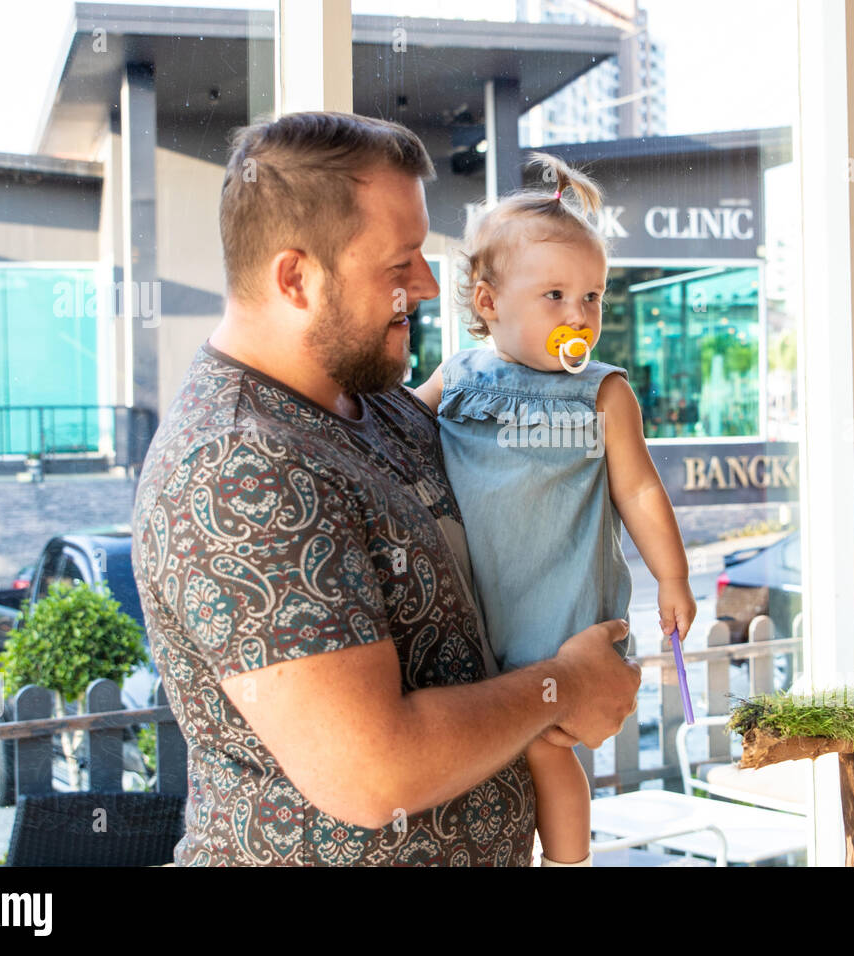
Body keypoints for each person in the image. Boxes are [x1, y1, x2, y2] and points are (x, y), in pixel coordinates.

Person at [130, 111, 640, 866]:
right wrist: (562, 686)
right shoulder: (238, 467)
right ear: (295, 278)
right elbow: (374, 770)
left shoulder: (378, 405)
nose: (432, 287)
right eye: (400, 265)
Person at [413, 154, 697, 866]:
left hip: (558, 615)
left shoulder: (603, 393)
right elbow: (398, 431)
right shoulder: (457, 375)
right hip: (474, 609)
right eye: (556, 297)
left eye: (593, 297)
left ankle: (569, 863)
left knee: (545, 744)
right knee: (475, 731)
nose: (580, 316)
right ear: (487, 303)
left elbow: (639, 491)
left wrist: (673, 578)